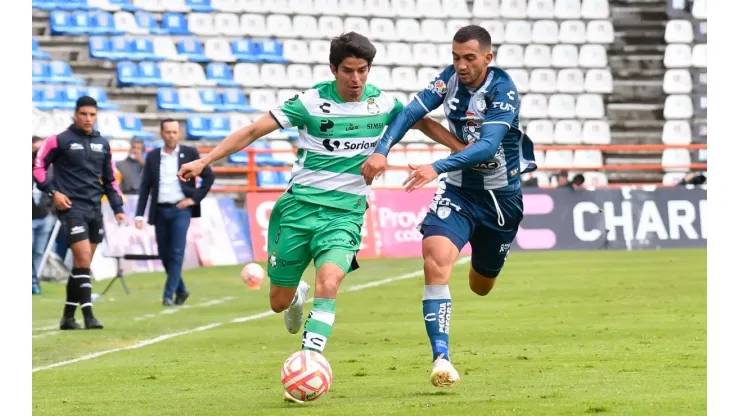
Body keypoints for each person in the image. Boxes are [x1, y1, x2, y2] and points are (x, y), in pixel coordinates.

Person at [177, 32, 463, 402]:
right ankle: (296, 293)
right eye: (348, 70)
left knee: (330, 281)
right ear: (333, 69)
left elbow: (422, 121)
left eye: (363, 70)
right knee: (278, 302)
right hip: (297, 212)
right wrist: (204, 160)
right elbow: (251, 130)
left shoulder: (382, 103)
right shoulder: (309, 103)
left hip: (345, 214)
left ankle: (310, 359)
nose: (357, 78)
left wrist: (461, 149)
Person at [361, 25, 538, 388]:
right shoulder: (448, 80)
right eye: (456, 57)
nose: (460, 65)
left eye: (469, 58)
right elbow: (411, 112)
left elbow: (488, 147)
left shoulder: (503, 90)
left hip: (500, 200)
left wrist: (434, 166)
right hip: (458, 192)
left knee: (481, 285)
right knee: (434, 259)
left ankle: (483, 259)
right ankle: (441, 357)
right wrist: (382, 149)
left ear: (488, 58)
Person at [33, 96, 127, 330]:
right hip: (71, 208)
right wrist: (53, 192)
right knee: (83, 259)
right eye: (83, 114)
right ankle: (88, 315)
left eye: (92, 115)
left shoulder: (102, 144)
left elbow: (110, 179)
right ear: (75, 114)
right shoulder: (59, 141)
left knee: (81, 266)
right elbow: (37, 167)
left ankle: (67, 317)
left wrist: (117, 208)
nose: (88, 118)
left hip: (94, 209)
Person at [135, 119, 214, 306]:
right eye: (168, 132)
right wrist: (139, 214)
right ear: (161, 134)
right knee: (164, 254)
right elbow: (145, 187)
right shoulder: (153, 156)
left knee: (177, 252)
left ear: (179, 134)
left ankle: (167, 296)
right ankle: (181, 289)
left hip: (181, 210)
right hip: (160, 210)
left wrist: (194, 198)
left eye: (175, 132)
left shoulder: (190, 153)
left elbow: (209, 176)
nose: (171, 135)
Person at [32, 136, 55, 295]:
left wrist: (50, 208)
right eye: (34, 149)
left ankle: (34, 280)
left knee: (39, 252)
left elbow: (54, 187)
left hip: (45, 216)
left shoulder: (50, 167)